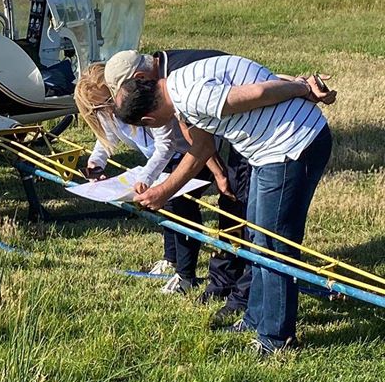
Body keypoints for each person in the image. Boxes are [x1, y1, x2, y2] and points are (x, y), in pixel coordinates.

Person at [113, 54, 336, 356]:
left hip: (292, 146)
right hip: (267, 154)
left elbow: (258, 93)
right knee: (257, 237)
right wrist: (162, 188)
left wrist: (299, 87)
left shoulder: (189, 96)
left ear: (148, 121)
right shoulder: (179, 89)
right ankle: (256, 318)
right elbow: (203, 146)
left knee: (274, 246)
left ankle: (276, 339)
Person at [105, 48, 252, 327]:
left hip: (253, 134)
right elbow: (198, 136)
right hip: (234, 132)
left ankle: (243, 295)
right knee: (229, 204)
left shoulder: (180, 80)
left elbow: (200, 146)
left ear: (140, 77)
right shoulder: (165, 74)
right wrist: (219, 172)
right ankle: (221, 282)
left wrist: (165, 190)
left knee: (242, 211)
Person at [74, 61, 230, 294]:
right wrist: (96, 163)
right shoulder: (108, 112)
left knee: (181, 205)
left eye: (105, 106)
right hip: (160, 160)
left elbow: (164, 147)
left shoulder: (141, 104)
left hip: (187, 152)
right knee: (165, 205)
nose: (104, 113)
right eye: (96, 111)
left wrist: (146, 177)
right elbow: (108, 138)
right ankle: (171, 258)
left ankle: (185, 276)